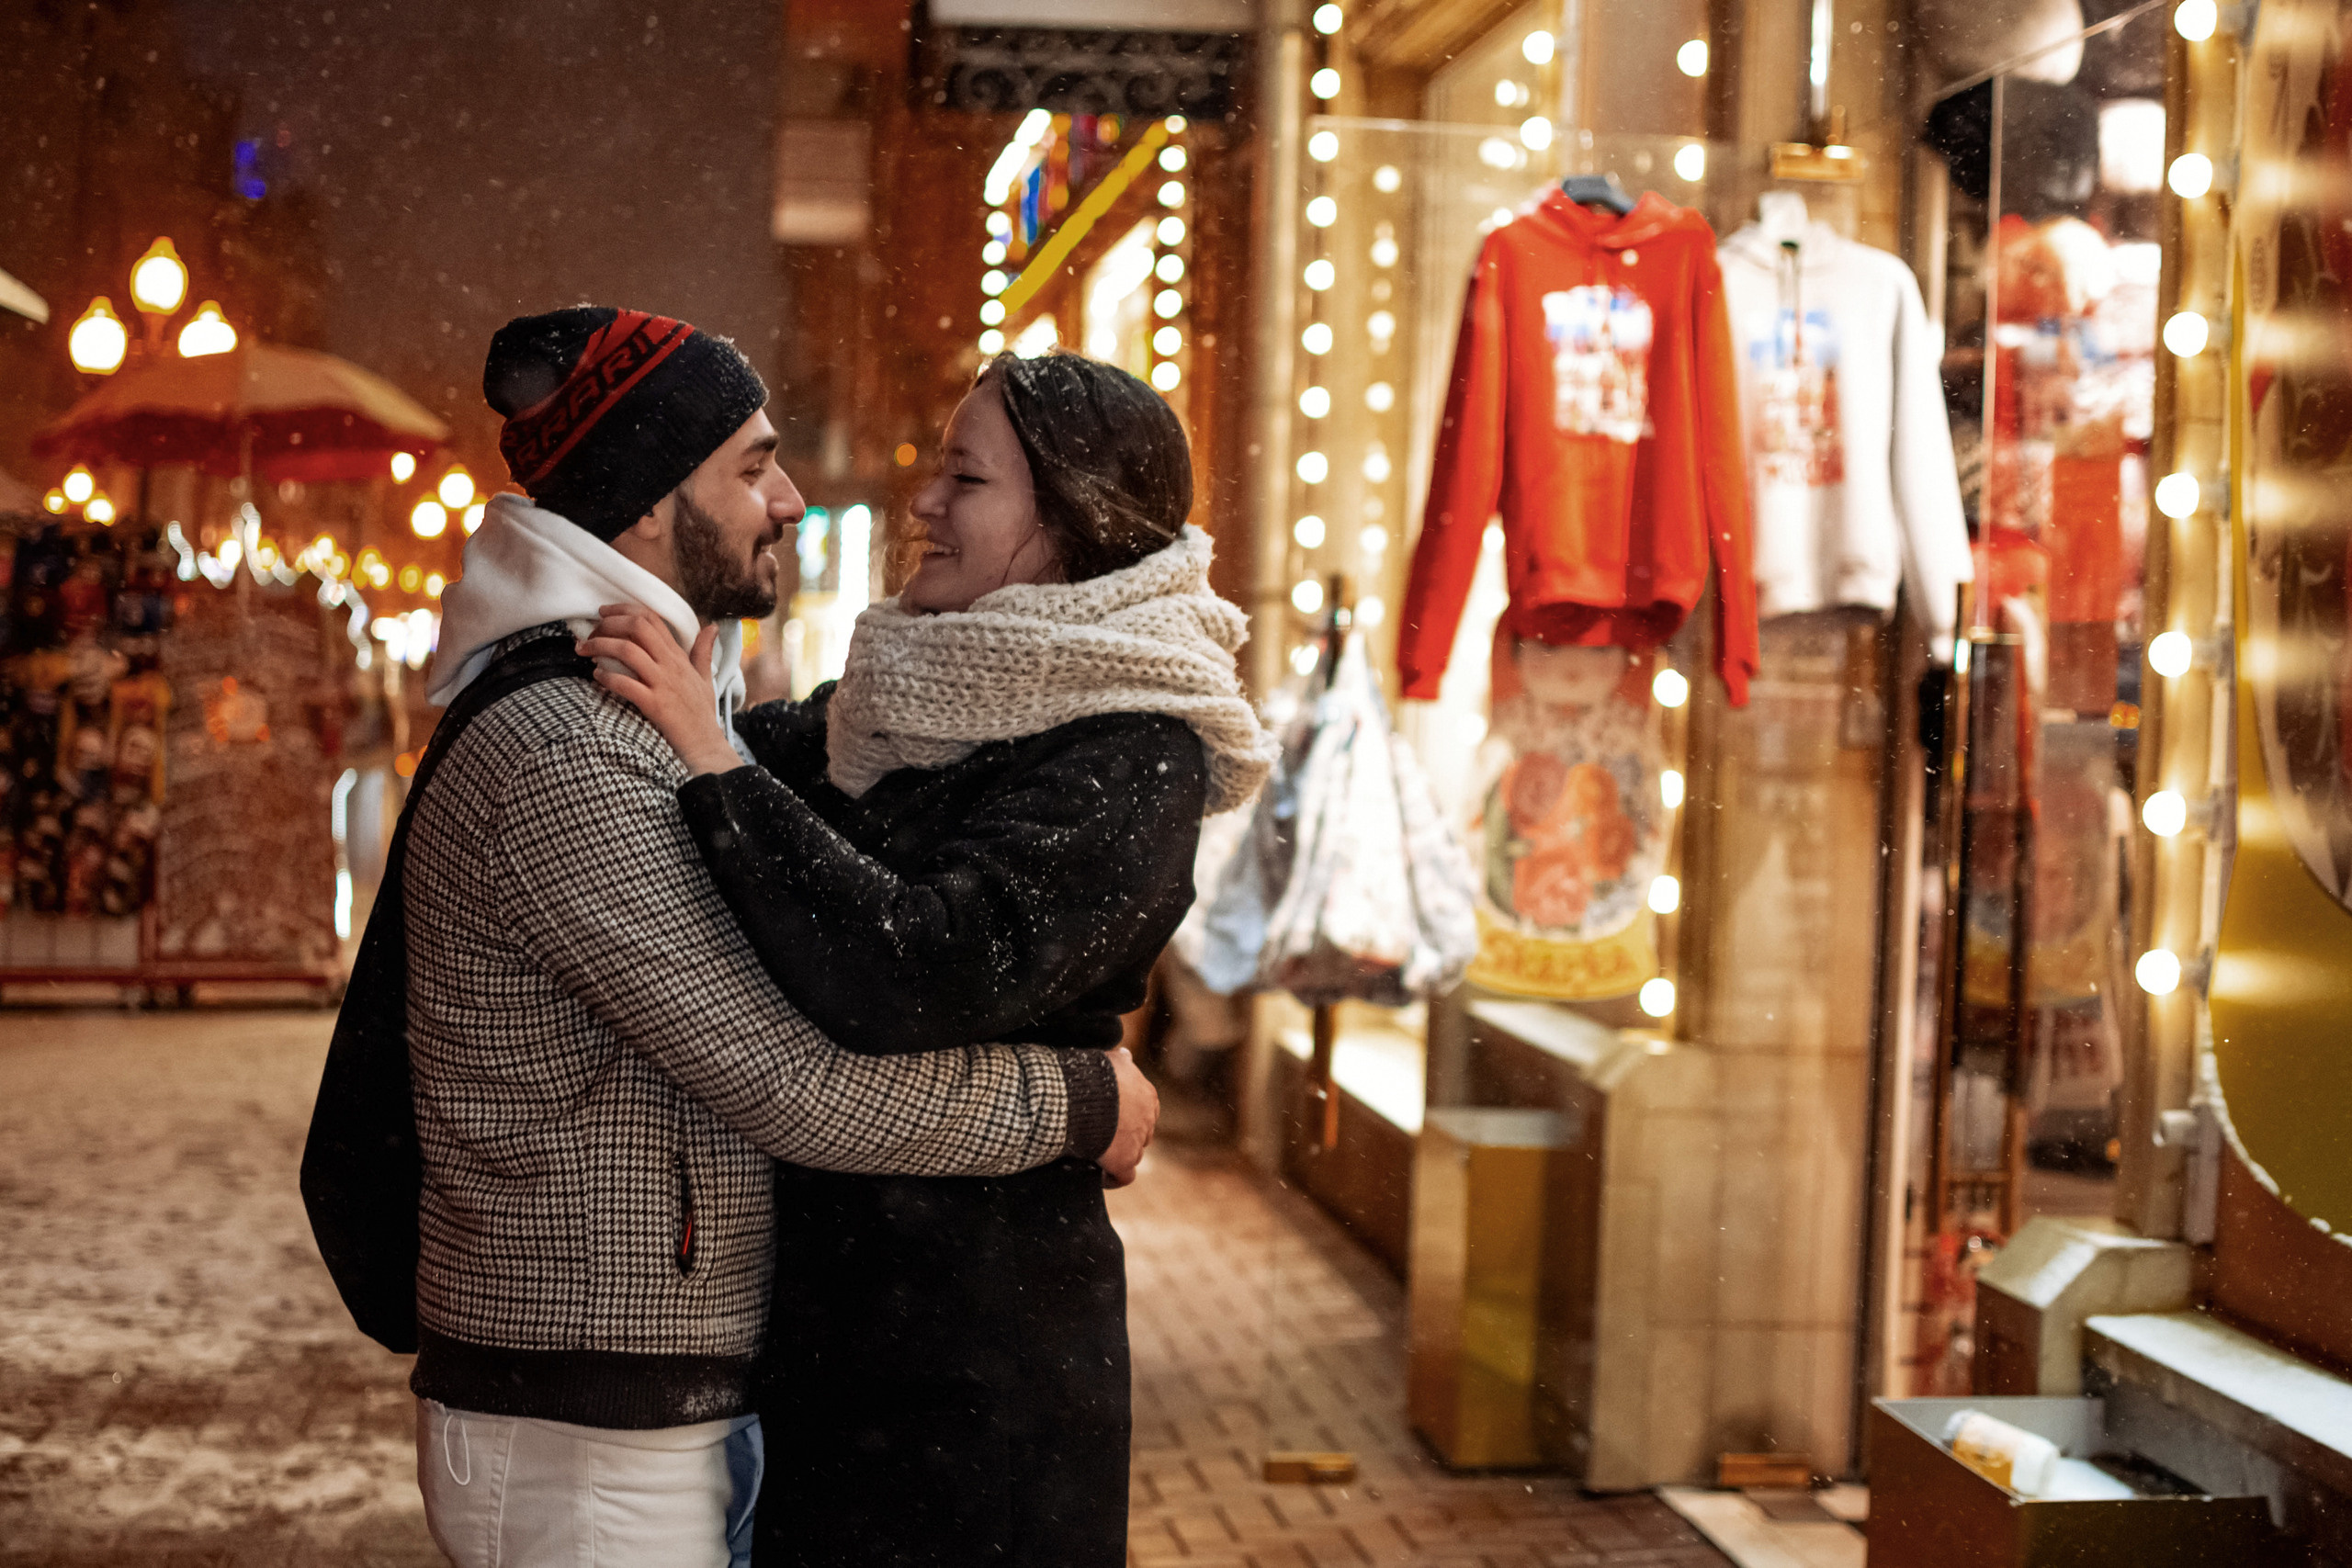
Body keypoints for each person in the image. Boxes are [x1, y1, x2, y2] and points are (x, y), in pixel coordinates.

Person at [385, 310, 1159, 1568]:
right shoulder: (573, 746)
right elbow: (791, 1084)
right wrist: (1076, 1100)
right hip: (590, 1423)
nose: (791, 499)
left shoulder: (638, 707)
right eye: (751, 465)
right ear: (644, 503)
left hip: (639, 1397)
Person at [581, 349, 1276, 1567]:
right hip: (835, 1333)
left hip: (980, 1358)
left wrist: (717, 759)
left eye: (967, 478)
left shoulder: (1136, 748)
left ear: (1069, 520)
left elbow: (915, 967)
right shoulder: (906, 702)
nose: (926, 505)